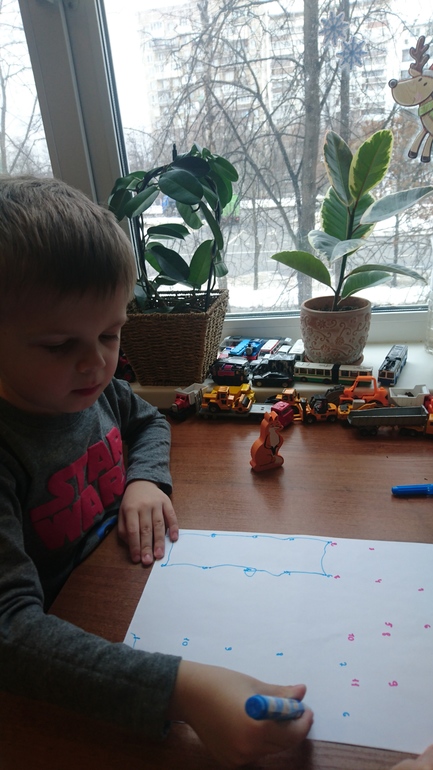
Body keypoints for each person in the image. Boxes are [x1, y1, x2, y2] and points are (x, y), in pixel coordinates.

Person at [0, 178, 430, 770]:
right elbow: (12, 635)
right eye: (57, 345)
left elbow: (148, 421)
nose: (97, 362)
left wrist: (145, 480)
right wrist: (183, 692)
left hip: (121, 585)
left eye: (109, 333)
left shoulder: (91, 391)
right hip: (54, 673)